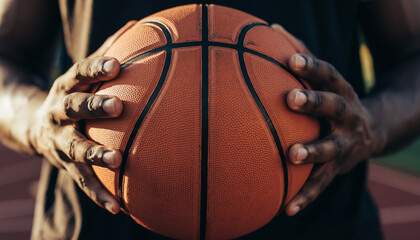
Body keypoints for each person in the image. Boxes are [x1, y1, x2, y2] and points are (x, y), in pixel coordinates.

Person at [0, 0, 419, 239]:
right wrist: (36, 121)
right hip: (93, 225)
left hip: (318, 226)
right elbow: (6, 56)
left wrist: (374, 123)